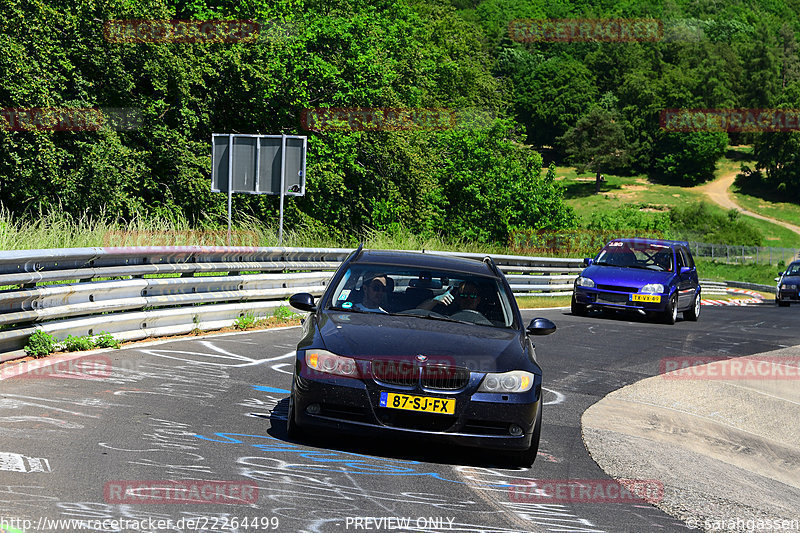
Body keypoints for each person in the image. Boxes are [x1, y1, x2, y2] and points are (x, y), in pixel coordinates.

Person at [419, 280, 485, 317]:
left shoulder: (487, 320)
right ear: (458, 299)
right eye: (463, 295)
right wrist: (434, 300)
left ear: (478, 300)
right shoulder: (444, 312)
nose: (468, 299)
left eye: (472, 296)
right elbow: (417, 313)